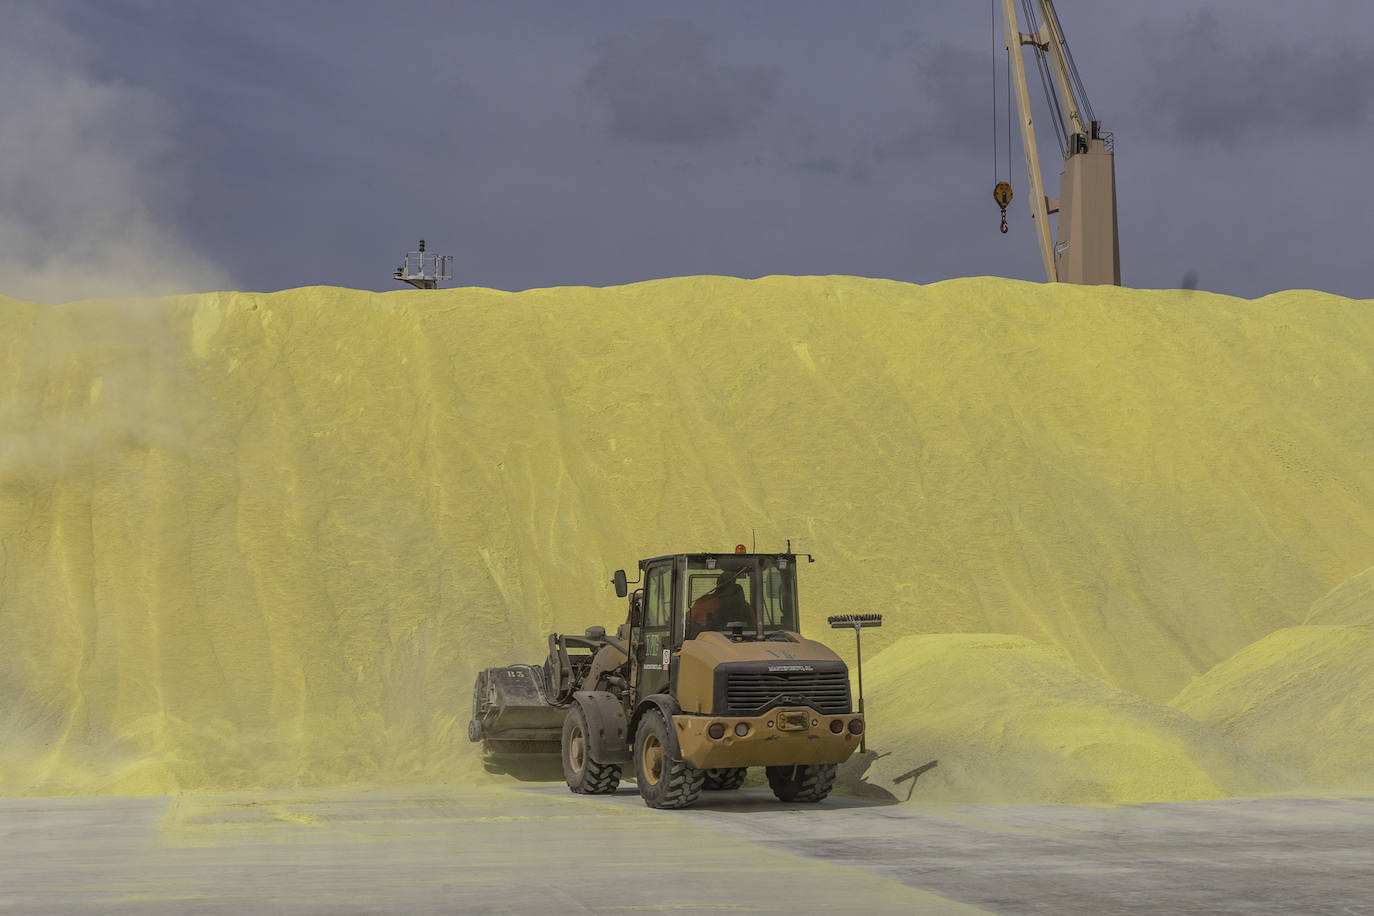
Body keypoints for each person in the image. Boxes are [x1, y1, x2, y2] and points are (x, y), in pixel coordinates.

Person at [687, 570, 757, 638]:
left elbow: (688, 621)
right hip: (743, 643)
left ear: (718, 584)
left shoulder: (705, 602)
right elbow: (756, 628)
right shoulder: (746, 607)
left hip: (710, 643)